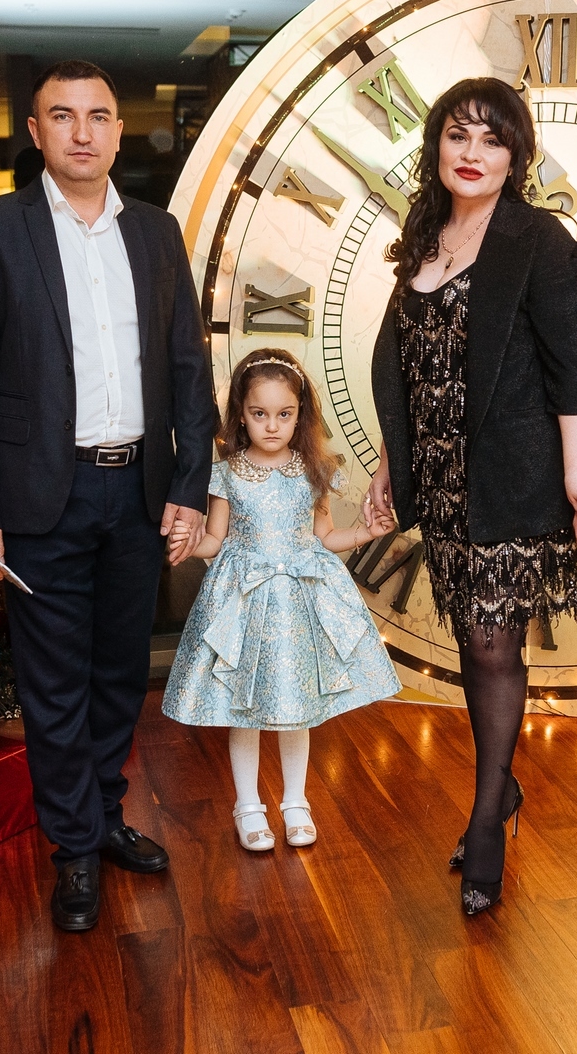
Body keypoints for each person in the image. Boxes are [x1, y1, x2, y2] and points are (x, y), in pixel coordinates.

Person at [0, 59, 217, 934]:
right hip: (37, 498)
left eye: (98, 115)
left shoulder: (156, 232)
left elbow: (187, 367)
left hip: (137, 492)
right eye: (63, 116)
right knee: (54, 684)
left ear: (118, 132)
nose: (83, 131)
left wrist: (189, 483)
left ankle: (102, 816)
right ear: (36, 132)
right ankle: (74, 851)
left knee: (119, 674)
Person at [361, 76, 577, 917]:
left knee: (494, 643)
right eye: (458, 135)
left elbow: (570, 367)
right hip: (439, 480)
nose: (472, 153)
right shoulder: (424, 232)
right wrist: (392, 463)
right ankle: (499, 790)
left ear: (516, 157)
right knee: (474, 642)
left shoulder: (537, 239)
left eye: (492, 140)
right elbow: (407, 368)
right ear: (436, 145)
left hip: (512, 475)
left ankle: (485, 817)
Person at [160, 348, 401, 851]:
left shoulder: (314, 470)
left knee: (297, 704)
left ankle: (296, 802)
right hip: (245, 601)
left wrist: (365, 532)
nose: (272, 426)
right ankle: (248, 806)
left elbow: (324, 536)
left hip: (298, 603)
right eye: (259, 414)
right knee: (243, 706)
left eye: (284, 414)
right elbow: (216, 540)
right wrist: (188, 541)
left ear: (300, 415)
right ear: (240, 416)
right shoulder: (227, 473)